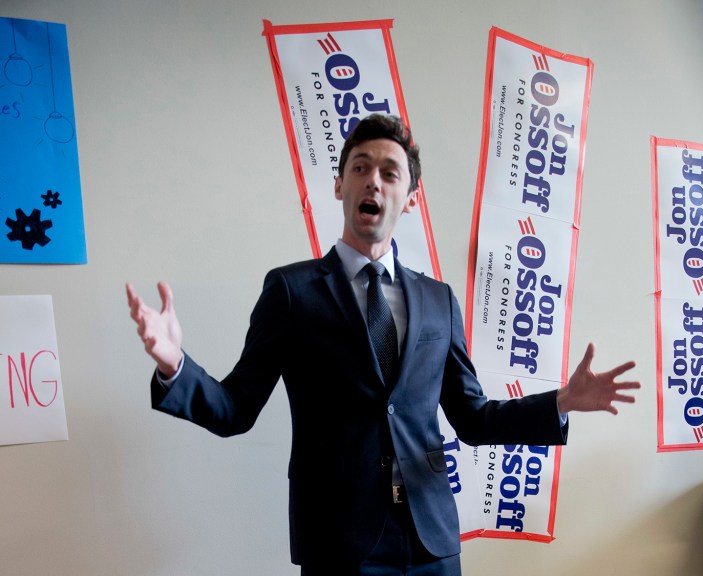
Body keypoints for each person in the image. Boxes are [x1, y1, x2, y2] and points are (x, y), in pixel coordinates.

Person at [126, 113, 640, 576]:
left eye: (390, 172)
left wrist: (561, 402)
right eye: (361, 167)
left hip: (432, 540)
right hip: (340, 544)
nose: (374, 179)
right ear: (339, 185)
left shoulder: (438, 299)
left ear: (410, 197)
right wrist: (175, 366)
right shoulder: (290, 291)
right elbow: (235, 408)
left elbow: (474, 418)